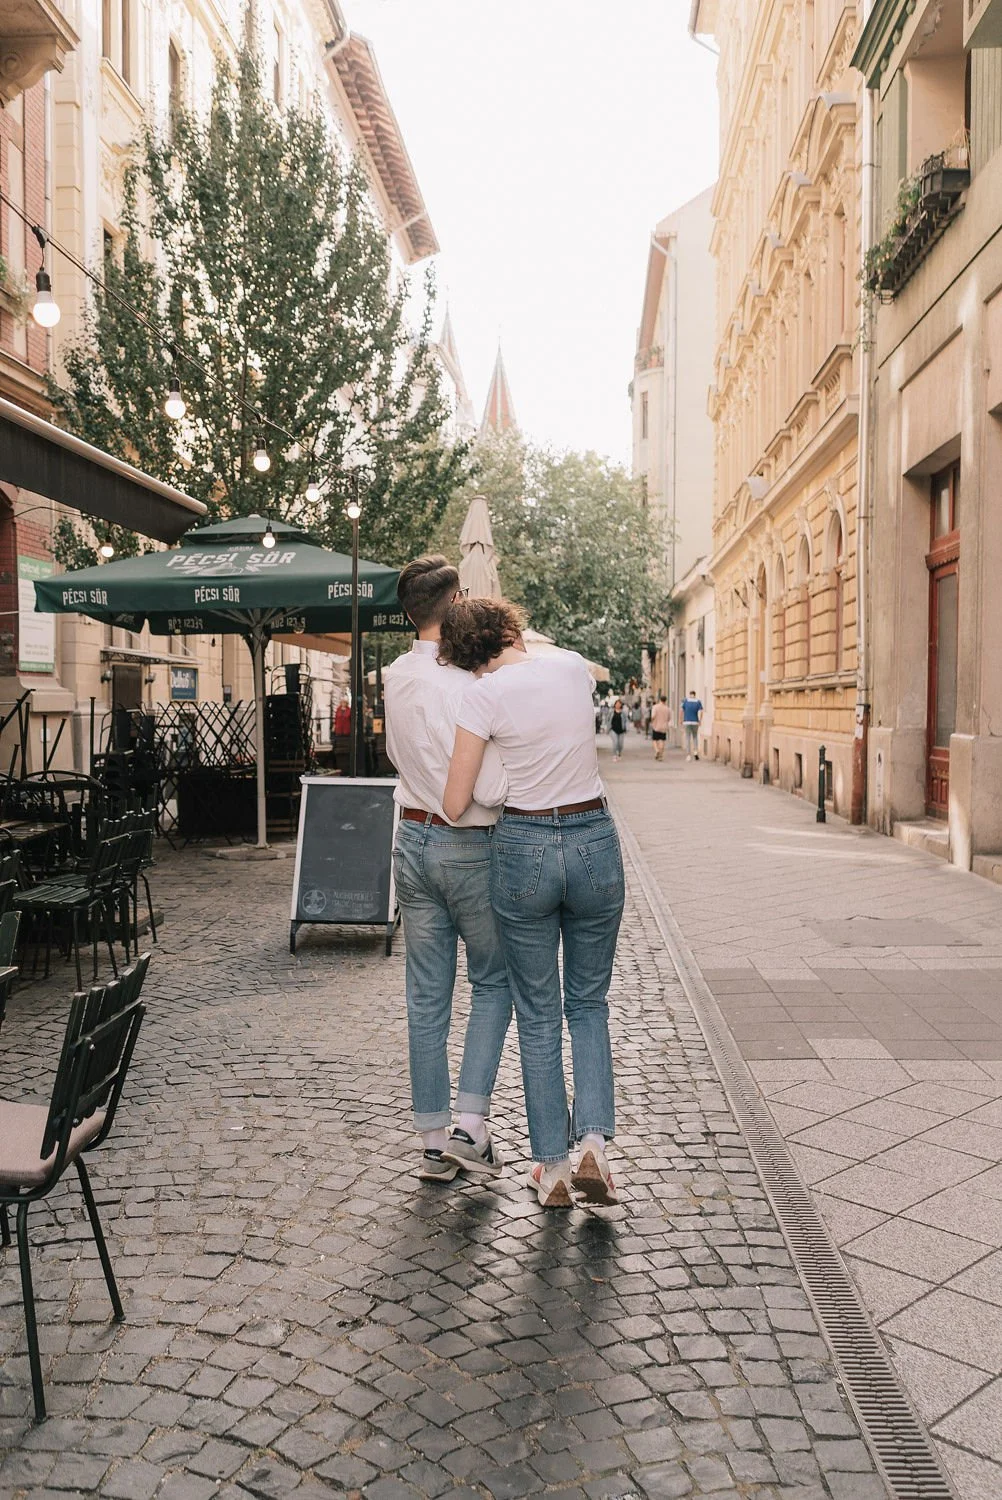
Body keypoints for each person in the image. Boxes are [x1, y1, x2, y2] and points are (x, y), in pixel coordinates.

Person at [441, 598, 625, 1210]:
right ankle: (594, 1142)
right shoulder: (572, 667)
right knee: (590, 1002)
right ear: (511, 628)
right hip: (593, 835)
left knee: (539, 1013)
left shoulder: (482, 696)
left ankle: (550, 1170)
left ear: (468, 657)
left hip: (524, 845)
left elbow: (454, 799)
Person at [383, 557, 513, 1184]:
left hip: (410, 839)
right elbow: (486, 785)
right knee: (495, 979)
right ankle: (471, 1123)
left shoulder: (396, 676)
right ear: (457, 601)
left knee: (426, 994)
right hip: (467, 843)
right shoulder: (465, 685)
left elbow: (396, 754)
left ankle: (433, 1142)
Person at [681, 688, 703, 760]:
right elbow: (701, 711)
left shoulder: (686, 701)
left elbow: (681, 711)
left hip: (687, 721)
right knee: (695, 737)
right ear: (695, 695)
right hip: (695, 721)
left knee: (687, 737)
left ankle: (688, 755)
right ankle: (695, 752)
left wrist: (681, 720)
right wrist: (700, 720)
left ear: (690, 695)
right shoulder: (698, 702)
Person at [650, 694, 670, 761]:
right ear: (665, 700)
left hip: (656, 726)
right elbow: (669, 718)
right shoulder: (667, 708)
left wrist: (652, 721)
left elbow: (653, 716)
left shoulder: (655, 707)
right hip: (664, 727)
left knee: (655, 740)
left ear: (659, 700)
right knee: (662, 740)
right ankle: (661, 755)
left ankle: (657, 750)